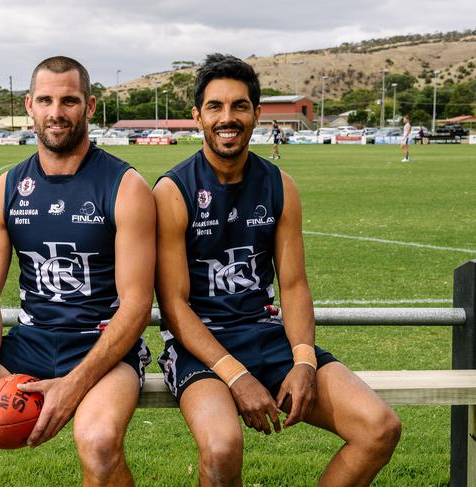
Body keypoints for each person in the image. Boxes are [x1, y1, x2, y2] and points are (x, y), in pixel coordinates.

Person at [0, 56, 156, 486]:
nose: (57, 112)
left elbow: (137, 304)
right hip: (30, 343)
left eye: (69, 100)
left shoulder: (125, 186)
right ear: (29, 106)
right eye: (46, 100)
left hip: (102, 349)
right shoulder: (4, 190)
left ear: (90, 106)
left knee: (97, 442)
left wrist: (75, 383)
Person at [153, 53, 401, 487]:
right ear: (197, 117)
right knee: (222, 448)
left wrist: (304, 361)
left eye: (239, 106)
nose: (227, 118)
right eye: (215, 106)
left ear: (257, 113)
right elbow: (173, 306)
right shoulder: (173, 191)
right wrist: (236, 376)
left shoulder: (280, 184)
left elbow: (294, 284)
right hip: (200, 347)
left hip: (267, 337)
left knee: (379, 428)